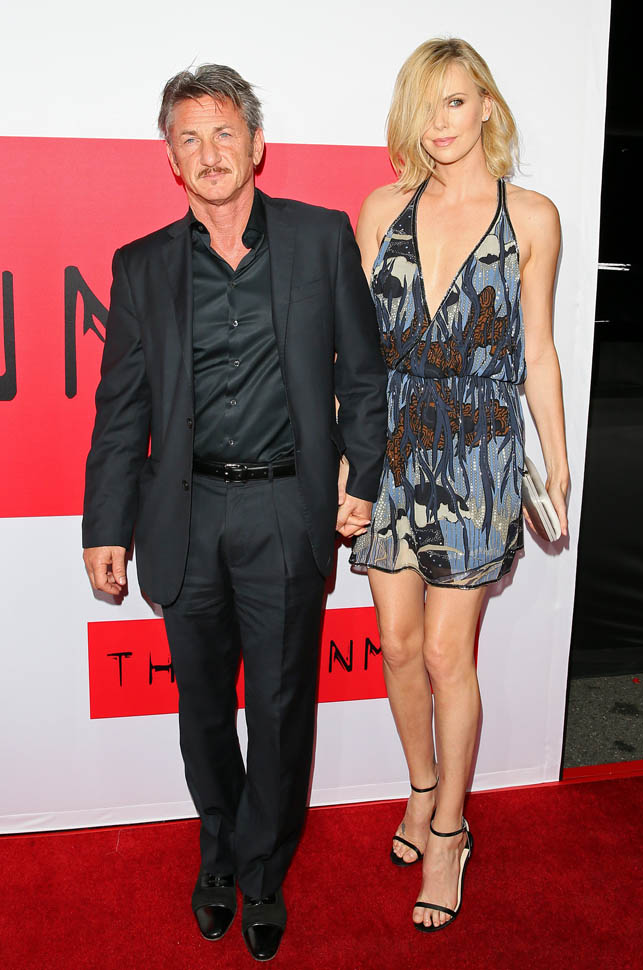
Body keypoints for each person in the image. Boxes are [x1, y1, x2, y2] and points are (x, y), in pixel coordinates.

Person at [82, 64, 386, 962]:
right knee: (206, 706)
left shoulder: (320, 238)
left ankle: (262, 871)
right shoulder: (141, 266)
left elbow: (365, 373)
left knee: (284, 707)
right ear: (170, 159)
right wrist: (106, 524)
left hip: (287, 509)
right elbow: (121, 410)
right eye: (190, 138)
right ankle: (218, 851)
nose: (209, 153)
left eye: (224, 133)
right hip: (186, 514)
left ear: (256, 145)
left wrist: (363, 474)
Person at [351, 38, 569, 932]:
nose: (439, 122)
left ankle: (449, 832)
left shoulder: (533, 217)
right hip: (393, 450)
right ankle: (419, 788)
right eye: (425, 104)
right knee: (399, 646)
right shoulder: (381, 209)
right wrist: (348, 461)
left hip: (479, 455)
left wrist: (558, 459)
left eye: (454, 101)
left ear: (486, 105)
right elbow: (357, 355)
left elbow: (539, 351)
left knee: (448, 655)